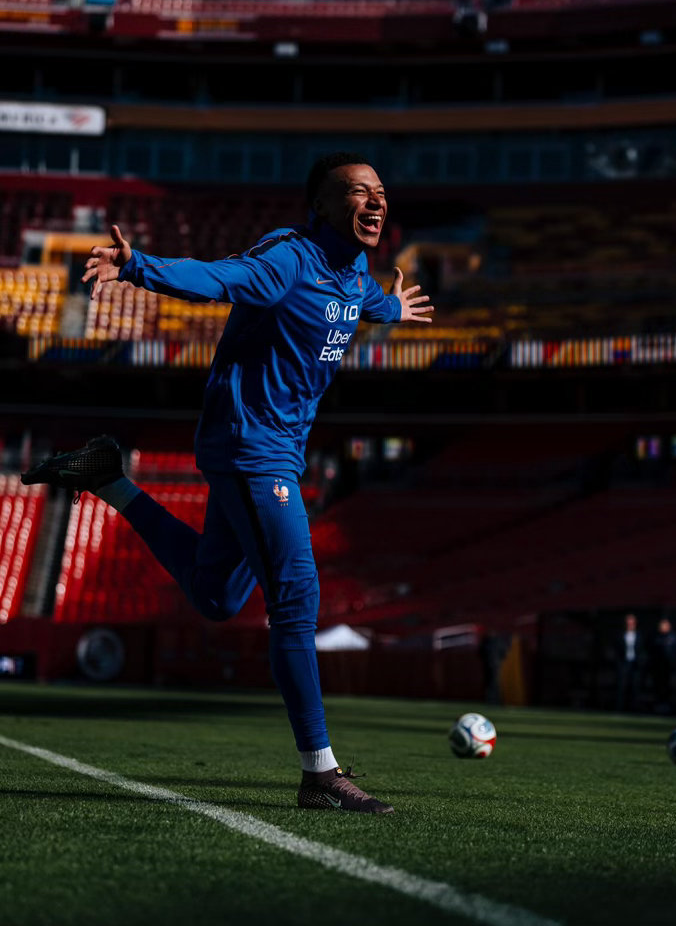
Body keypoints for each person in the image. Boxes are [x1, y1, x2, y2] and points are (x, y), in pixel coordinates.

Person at [22, 152, 434, 814]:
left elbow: (362, 299)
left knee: (216, 595)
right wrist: (137, 267)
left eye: (381, 192)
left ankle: (111, 480)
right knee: (296, 595)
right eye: (359, 192)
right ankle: (319, 772)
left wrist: (394, 309)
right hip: (250, 448)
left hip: (276, 451)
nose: (376, 201)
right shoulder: (289, 260)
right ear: (321, 207)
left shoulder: (354, 273)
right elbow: (218, 278)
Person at [614, 612, 644, 712]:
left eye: (632, 623)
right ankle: (619, 708)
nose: (630, 625)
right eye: (628, 623)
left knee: (635, 687)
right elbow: (617, 650)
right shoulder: (620, 635)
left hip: (635, 664)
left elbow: (642, 650)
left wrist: (641, 662)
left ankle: (635, 709)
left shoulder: (639, 635)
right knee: (621, 686)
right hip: (624, 664)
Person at [648, 617, 676, 713]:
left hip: (669, 668)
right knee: (657, 687)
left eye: (665, 625)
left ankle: (667, 706)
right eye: (661, 625)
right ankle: (657, 706)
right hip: (657, 668)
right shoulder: (655, 637)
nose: (662, 627)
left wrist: (674, 664)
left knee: (668, 687)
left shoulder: (674, 638)